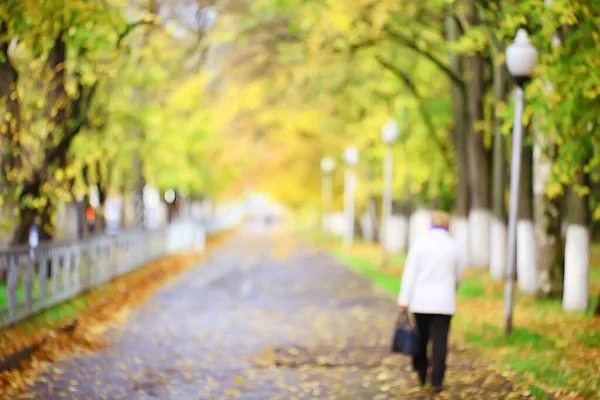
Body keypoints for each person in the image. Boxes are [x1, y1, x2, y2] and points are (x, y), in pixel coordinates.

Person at [397, 210, 464, 393]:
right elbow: (458, 274)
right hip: (444, 303)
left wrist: (404, 300)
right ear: (448, 226)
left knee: (421, 338)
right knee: (440, 341)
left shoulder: (420, 244)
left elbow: (410, 273)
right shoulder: (454, 246)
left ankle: (421, 372)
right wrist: (453, 289)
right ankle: (437, 380)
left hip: (421, 302)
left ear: (430, 224)